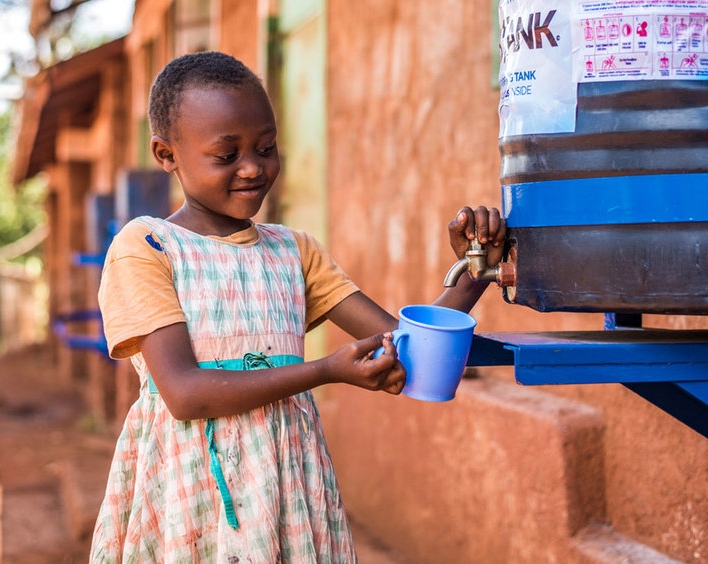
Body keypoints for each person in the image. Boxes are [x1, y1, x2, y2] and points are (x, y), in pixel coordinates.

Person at [90, 50, 506, 562]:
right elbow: (185, 394)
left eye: (266, 148)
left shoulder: (293, 252)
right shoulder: (147, 247)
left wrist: (473, 267)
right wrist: (325, 371)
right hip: (189, 488)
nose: (253, 168)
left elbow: (406, 354)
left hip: (287, 486)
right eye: (227, 155)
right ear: (166, 153)